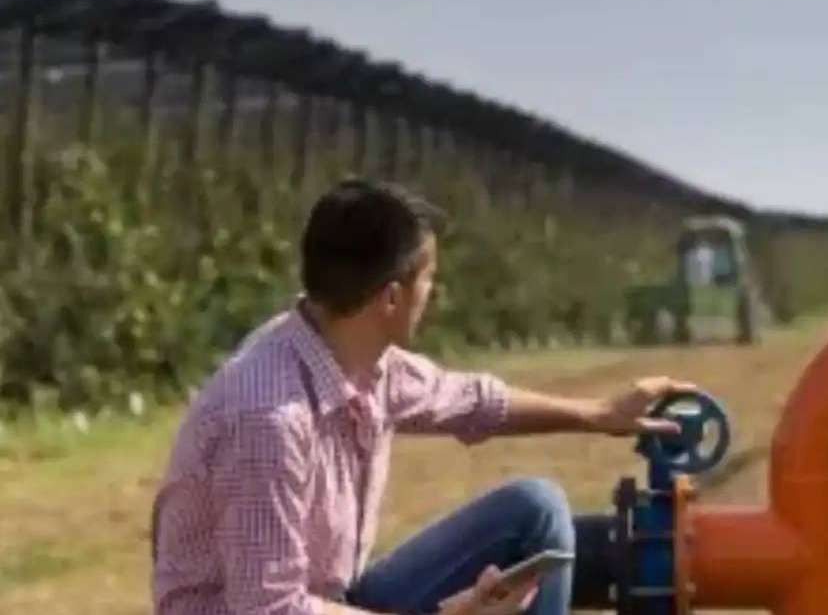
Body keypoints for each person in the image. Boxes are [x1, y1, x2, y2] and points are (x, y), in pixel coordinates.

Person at [151, 179, 693, 615]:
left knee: (537, 510)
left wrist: (599, 415)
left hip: (330, 602)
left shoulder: (360, 357)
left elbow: (473, 400)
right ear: (391, 296)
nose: (434, 293)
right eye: (429, 278)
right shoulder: (268, 419)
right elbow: (268, 610)